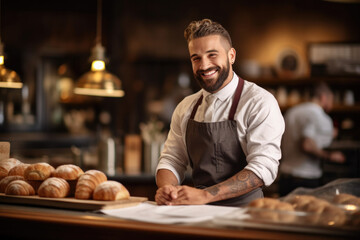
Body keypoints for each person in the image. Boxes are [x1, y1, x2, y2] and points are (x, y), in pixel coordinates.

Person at [155, 19, 285, 207]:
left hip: (245, 215)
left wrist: (206, 195)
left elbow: (263, 167)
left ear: (231, 56)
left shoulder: (258, 102)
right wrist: (167, 188)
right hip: (197, 213)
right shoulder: (186, 107)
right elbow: (172, 159)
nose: (204, 65)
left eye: (212, 55)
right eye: (196, 58)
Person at [279, 82, 346, 197]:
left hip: (285, 177)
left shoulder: (292, 112)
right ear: (324, 97)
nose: (332, 104)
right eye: (331, 100)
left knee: (285, 214)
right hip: (306, 179)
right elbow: (307, 145)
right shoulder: (320, 116)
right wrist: (329, 155)